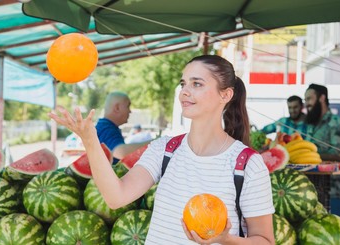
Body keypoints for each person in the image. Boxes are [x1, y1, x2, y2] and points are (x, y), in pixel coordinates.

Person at [49, 55, 275, 244]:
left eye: (196, 84)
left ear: (225, 95)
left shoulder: (247, 164)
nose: (185, 91)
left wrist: (225, 239)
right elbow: (115, 197)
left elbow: (265, 240)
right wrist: (90, 141)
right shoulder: (165, 150)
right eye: (183, 83)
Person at [95, 91, 150, 164]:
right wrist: (153, 143)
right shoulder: (106, 128)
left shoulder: (107, 126)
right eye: (128, 106)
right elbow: (120, 153)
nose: (130, 111)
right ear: (117, 108)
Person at [304, 83, 340, 161]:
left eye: (309, 99)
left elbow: (337, 154)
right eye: (305, 100)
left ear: (322, 98)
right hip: (308, 171)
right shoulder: (311, 122)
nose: (306, 104)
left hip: (329, 172)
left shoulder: (335, 122)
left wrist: (309, 155)